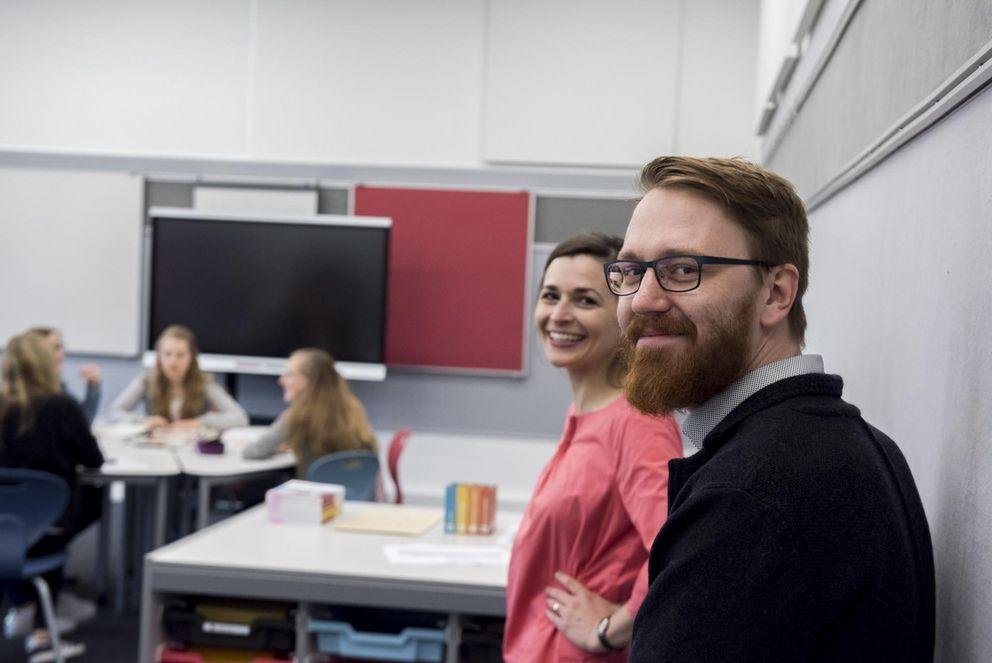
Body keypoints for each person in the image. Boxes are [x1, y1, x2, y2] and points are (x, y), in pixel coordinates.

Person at [608, 156, 935, 661]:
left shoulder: (754, 495)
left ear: (776, 293)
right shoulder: (838, 442)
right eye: (631, 271)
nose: (643, 299)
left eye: (682, 270)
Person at [503, 233, 683, 661]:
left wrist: (609, 630)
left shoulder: (638, 422)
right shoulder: (585, 414)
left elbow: (674, 550)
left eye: (585, 301)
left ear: (624, 313)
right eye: (550, 296)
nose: (559, 315)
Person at [0, 332, 104, 662]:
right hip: (49, 525)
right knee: (75, 513)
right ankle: (42, 636)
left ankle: (22, 604)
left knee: (17, 540)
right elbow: (93, 460)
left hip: (2, 526)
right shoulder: (61, 405)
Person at [242, 348, 377, 477]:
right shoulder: (353, 410)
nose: (281, 380)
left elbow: (252, 452)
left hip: (315, 497)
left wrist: (274, 448)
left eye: (289, 374)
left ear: (308, 380)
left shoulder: (296, 417)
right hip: (358, 497)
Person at [108, 325, 248, 430]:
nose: (173, 362)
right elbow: (113, 413)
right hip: (155, 449)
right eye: (167, 354)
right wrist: (144, 421)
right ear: (159, 357)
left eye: (180, 355)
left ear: (192, 357)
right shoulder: (146, 380)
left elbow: (240, 417)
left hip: (192, 450)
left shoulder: (205, 382)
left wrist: (199, 423)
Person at [28, 326, 101, 424]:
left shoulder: (57, 385)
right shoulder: (32, 392)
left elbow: (81, 420)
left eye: (61, 347)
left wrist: (93, 386)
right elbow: (80, 424)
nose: (61, 354)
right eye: (55, 348)